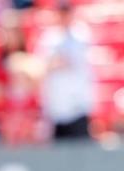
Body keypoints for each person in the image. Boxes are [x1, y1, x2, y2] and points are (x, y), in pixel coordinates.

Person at [36, 2, 95, 140]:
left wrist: (60, 62)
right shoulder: (48, 38)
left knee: (81, 151)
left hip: (77, 106)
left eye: (66, 13)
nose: (63, 17)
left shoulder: (82, 35)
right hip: (56, 108)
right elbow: (42, 66)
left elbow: (78, 63)